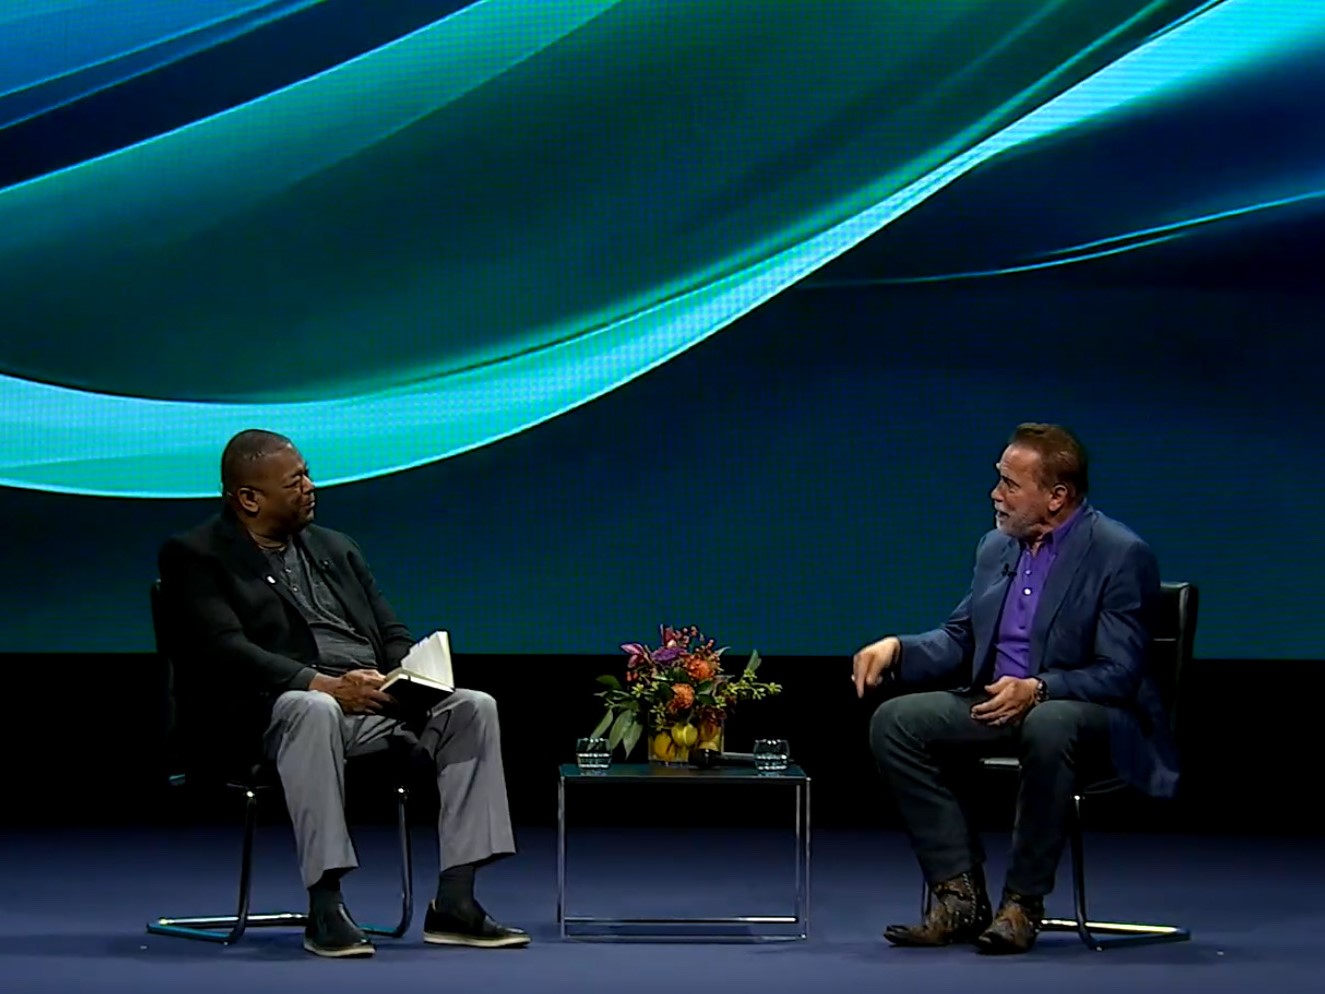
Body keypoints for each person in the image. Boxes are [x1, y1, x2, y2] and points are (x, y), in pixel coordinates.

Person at [158, 429, 529, 958]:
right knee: (311, 709)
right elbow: (224, 650)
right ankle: (326, 904)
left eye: (307, 474)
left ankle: (455, 900)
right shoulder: (195, 555)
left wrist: (404, 677)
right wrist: (324, 685)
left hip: (367, 703)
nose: (310, 487)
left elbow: (391, 631)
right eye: (295, 481)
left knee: (472, 707)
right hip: (265, 715)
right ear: (249, 498)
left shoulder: (336, 547)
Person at [851, 423, 1177, 955]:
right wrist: (899, 649)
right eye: (998, 479)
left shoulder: (1120, 553)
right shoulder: (996, 547)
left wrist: (1040, 688)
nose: (994, 494)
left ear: (1057, 496)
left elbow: (1119, 672)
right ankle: (959, 896)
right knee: (896, 722)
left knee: (1049, 723)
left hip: (1088, 714)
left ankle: (1022, 903)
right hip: (1000, 704)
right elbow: (961, 637)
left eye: (1009, 483)